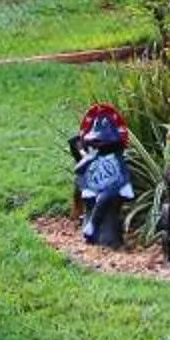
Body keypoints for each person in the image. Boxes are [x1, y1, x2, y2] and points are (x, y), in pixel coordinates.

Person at [69, 104, 135, 247]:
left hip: (112, 189)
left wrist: (124, 186)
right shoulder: (92, 157)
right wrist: (88, 158)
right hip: (94, 187)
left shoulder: (117, 158)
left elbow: (122, 174)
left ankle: (94, 226)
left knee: (108, 197)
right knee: (98, 198)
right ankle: (92, 226)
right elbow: (79, 169)